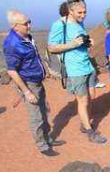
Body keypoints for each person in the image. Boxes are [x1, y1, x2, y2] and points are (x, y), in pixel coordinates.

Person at [3, 10, 65, 157]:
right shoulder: (12, 44)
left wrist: (47, 70)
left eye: (29, 21)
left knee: (44, 111)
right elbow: (12, 71)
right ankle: (42, 145)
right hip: (29, 84)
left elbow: (34, 58)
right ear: (15, 26)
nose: (29, 25)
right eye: (25, 23)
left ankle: (47, 138)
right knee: (36, 116)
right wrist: (26, 92)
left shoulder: (26, 37)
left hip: (37, 81)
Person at [48, 0, 107, 144]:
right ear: (71, 11)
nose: (83, 15)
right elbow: (51, 47)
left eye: (85, 12)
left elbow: (80, 40)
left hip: (87, 65)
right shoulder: (59, 25)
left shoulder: (79, 23)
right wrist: (72, 44)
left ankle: (84, 122)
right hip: (75, 69)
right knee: (83, 99)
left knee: (91, 96)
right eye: (80, 12)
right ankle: (89, 131)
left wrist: (88, 42)